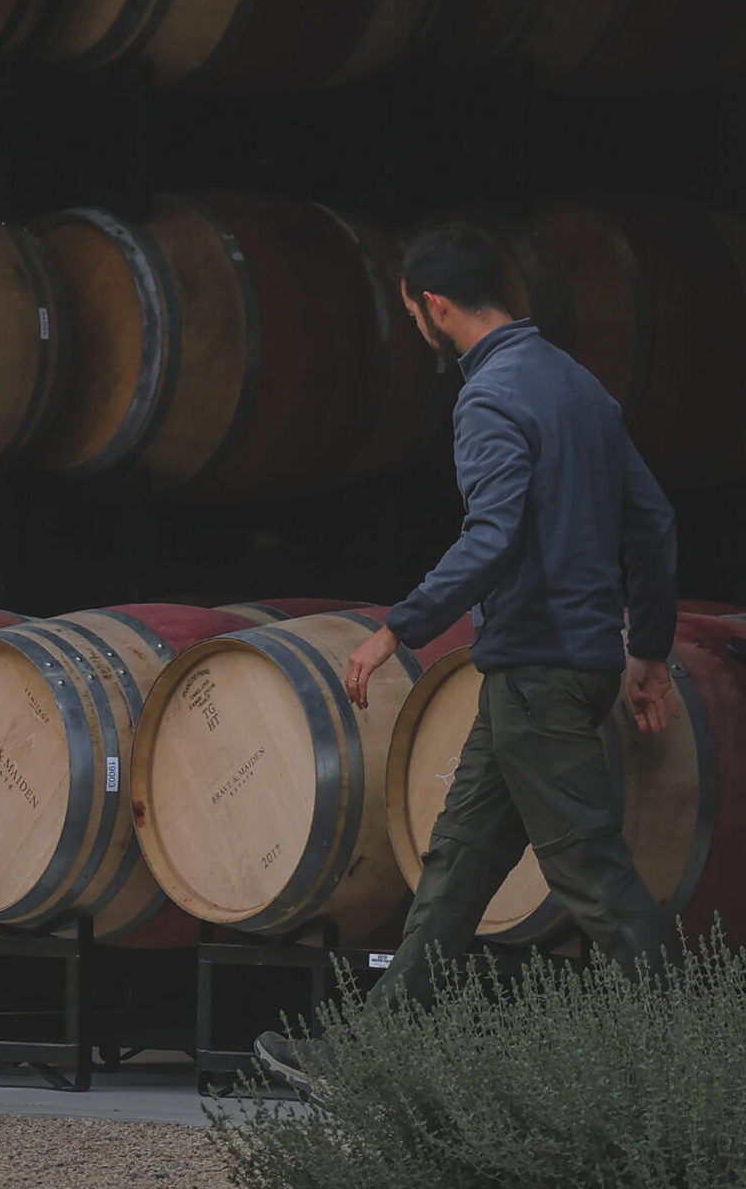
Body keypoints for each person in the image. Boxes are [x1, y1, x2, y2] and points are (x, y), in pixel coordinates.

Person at [255, 222, 679, 1094]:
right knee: (460, 862)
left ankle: (703, 1058)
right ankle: (366, 1059)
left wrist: (398, 627)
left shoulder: (489, 398)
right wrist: (653, 649)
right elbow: (655, 520)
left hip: (538, 669)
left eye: (412, 307)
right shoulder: (577, 384)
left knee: (590, 873)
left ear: (432, 305)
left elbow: (492, 535)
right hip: (573, 661)